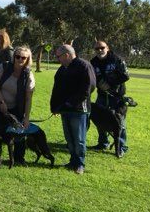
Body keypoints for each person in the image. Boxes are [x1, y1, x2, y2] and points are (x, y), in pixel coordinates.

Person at [0, 46, 35, 165]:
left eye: (23, 57)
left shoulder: (29, 75)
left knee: (19, 130)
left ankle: (19, 158)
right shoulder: (4, 66)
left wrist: (26, 117)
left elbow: (28, 99)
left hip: (16, 107)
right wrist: (2, 102)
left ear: (28, 59)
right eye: (17, 56)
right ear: (14, 57)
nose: (20, 59)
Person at [50, 44, 96, 174]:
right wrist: (54, 107)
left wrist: (71, 103)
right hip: (65, 109)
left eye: (59, 56)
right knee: (69, 137)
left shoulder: (84, 66)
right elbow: (56, 89)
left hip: (79, 110)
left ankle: (80, 164)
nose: (58, 59)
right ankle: (73, 161)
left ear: (67, 55)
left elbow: (89, 88)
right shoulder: (62, 69)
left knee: (79, 139)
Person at [90, 40, 130, 155]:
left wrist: (110, 82)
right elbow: (92, 77)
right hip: (102, 96)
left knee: (119, 122)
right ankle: (103, 143)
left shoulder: (116, 59)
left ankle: (121, 147)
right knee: (99, 120)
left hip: (117, 97)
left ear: (107, 47)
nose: (100, 50)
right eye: (97, 49)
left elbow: (125, 75)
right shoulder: (93, 62)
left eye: (102, 48)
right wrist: (99, 84)